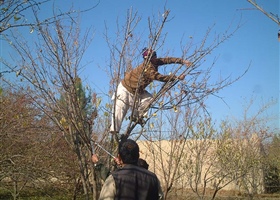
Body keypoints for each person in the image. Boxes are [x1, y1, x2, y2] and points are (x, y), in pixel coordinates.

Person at [110, 48, 192, 134]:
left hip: (137, 91)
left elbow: (168, 60)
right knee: (120, 111)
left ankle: (136, 116)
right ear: (147, 59)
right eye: (152, 56)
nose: (155, 57)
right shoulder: (147, 68)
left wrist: (182, 61)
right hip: (125, 89)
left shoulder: (155, 62)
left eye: (155, 54)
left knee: (148, 99)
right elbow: (159, 77)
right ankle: (114, 131)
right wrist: (176, 77)